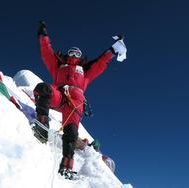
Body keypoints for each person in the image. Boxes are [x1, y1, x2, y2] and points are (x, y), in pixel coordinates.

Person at [33, 21, 127, 179]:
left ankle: (66, 165)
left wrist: (113, 49)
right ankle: (42, 127)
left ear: (81, 57)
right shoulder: (58, 65)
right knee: (43, 89)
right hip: (59, 95)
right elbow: (46, 52)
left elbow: (100, 63)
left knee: (71, 133)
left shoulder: (85, 71)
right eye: (71, 52)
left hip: (75, 103)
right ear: (67, 54)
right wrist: (43, 35)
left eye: (77, 53)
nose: (74, 55)